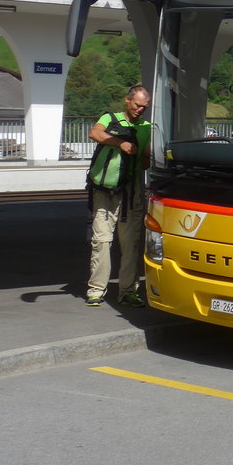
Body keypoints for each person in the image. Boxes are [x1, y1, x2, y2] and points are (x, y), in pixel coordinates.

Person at [84, 85, 152, 307]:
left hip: (132, 192)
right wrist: (120, 142)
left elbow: (145, 162)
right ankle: (96, 290)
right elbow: (94, 132)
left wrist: (147, 154)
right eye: (137, 105)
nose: (140, 110)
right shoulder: (109, 118)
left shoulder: (146, 127)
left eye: (144, 107)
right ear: (127, 101)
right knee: (101, 241)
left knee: (131, 243)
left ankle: (128, 291)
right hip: (105, 192)